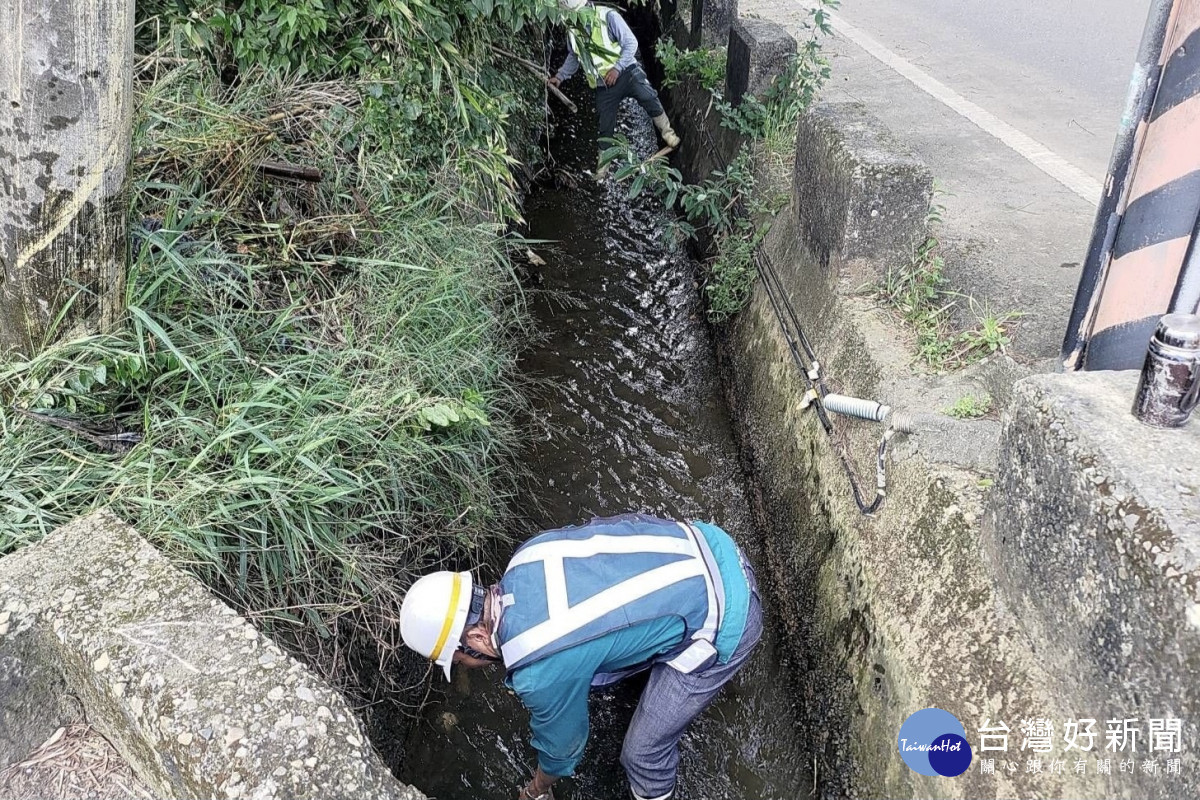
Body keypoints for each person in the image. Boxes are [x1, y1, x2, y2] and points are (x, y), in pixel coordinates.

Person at [400, 512, 763, 800]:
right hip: (711, 544)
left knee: (641, 755)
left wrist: (535, 790)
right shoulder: (526, 556)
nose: (465, 665)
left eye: (459, 658)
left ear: (476, 637)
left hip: (731, 614)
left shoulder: (536, 670)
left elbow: (563, 750)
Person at [548, 0, 681, 177]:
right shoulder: (572, 31)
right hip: (604, 85)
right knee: (605, 127)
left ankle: (668, 134)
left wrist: (617, 68)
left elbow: (631, 43)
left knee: (648, 97)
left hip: (627, 72)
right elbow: (574, 56)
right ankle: (602, 171)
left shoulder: (608, 17)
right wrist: (560, 76)